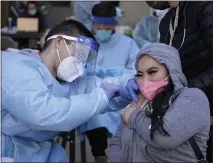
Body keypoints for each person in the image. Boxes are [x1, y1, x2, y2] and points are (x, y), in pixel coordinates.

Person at [1, 19, 135, 162]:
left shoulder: (66, 82)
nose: (81, 63)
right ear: (58, 42)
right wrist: (101, 96)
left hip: (38, 151)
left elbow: (103, 88)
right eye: (80, 53)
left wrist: (132, 82)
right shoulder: (16, 67)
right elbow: (43, 113)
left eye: (85, 58)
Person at [108, 43, 210, 162]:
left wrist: (133, 115)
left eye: (152, 72)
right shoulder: (141, 101)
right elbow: (118, 141)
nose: (145, 81)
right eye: (140, 75)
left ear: (171, 71)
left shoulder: (192, 98)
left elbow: (164, 137)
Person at [146, 1, 213, 162]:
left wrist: (189, 89)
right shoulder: (166, 23)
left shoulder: (205, 9)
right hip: (184, 104)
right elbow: (166, 63)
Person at [76, 2, 139, 162]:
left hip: (121, 95)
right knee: (94, 113)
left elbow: (137, 71)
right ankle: (100, 155)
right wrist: (90, 71)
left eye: (107, 24)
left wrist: (120, 74)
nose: (102, 28)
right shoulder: (84, 44)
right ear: (92, 22)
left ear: (115, 23)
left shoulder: (127, 43)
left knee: (132, 116)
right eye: (99, 24)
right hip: (92, 94)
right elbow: (74, 70)